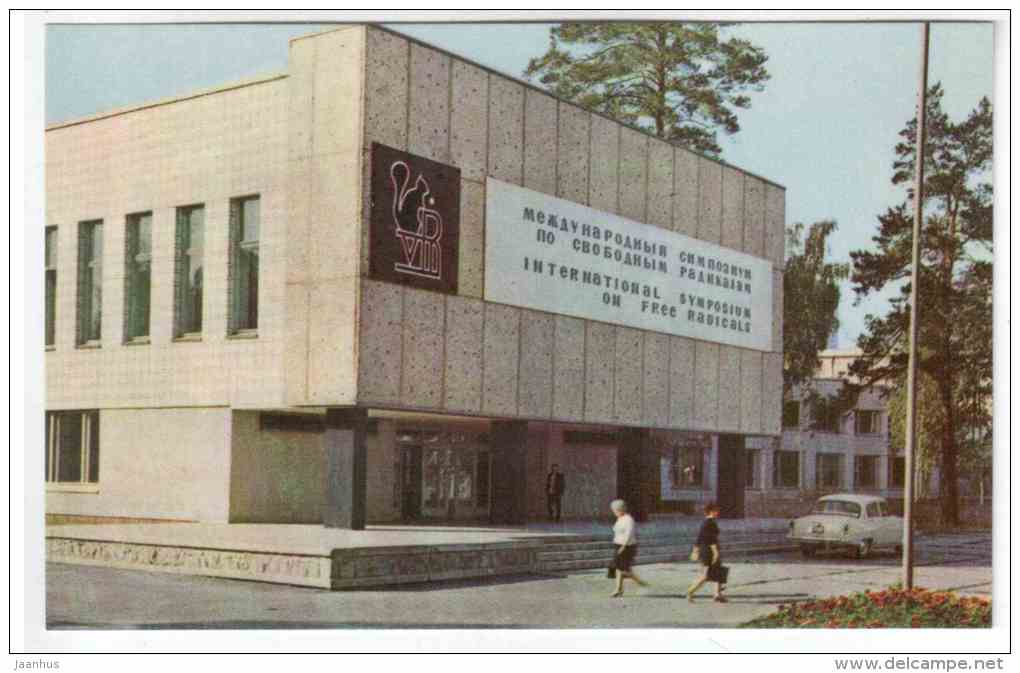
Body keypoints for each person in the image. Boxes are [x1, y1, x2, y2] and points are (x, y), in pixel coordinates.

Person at [687, 502, 727, 603]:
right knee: (705, 575)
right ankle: (690, 592)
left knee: (718, 572)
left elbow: (699, 537)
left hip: (710, 550)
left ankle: (717, 595)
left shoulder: (710, 522)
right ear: (711, 511)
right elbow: (709, 539)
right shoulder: (708, 523)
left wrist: (695, 550)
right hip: (708, 552)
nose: (718, 512)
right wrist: (715, 553)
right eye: (716, 510)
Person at [609, 499, 648, 597]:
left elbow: (629, 534)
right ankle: (619, 589)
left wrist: (623, 546)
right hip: (618, 545)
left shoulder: (628, 519)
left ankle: (642, 583)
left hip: (627, 546)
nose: (614, 513)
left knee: (624, 570)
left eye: (615, 510)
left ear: (620, 509)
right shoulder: (620, 518)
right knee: (619, 568)